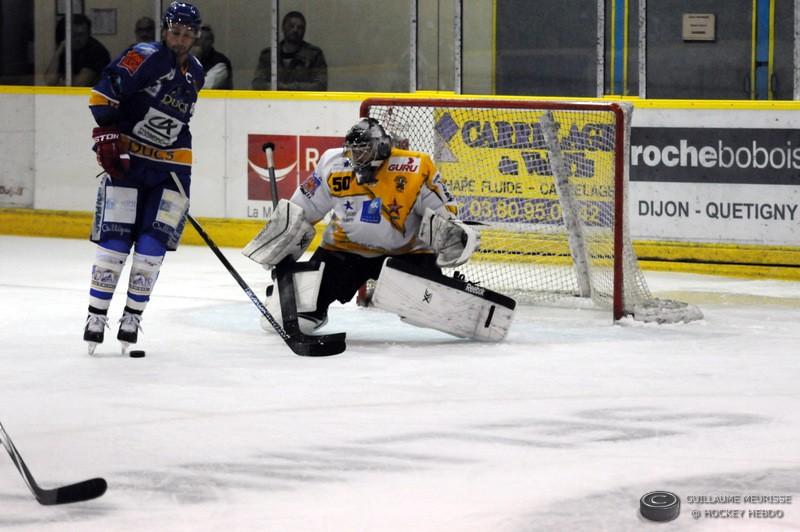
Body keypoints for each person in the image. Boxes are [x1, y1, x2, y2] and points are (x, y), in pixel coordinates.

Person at [242, 118, 515, 342]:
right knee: (287, 317)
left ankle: (454, 301)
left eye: (364, 151)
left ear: (381, 148)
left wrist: (452, 236)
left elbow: (445, 215)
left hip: (406, 254)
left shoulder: (414, 167)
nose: (357, 157)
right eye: (353, 151)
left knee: (430, 310)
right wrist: (283, 246)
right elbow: (303, 211)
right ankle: (306, 304)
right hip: (344, 252)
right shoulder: (333, 164)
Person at [82, 2, 205, 355]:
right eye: (175, 32)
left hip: (173, 168)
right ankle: (96, 316)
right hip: (130, 162)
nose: (180, 40)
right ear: (165, 30)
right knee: (117, 237)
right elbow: (103, 95)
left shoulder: (196, 71)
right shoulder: (145, 56)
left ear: (196, 36)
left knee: (154, 241)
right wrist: (108, 134)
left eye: (188, 34)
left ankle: (132, 318)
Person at [251, 11, 327, 91]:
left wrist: (280, 87)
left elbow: (320, 86)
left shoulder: (314, 55)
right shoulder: (269, 55)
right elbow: (257, 84)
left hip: (301, 99)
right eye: (291, 26)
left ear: (304, 31)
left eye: (300, 27)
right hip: (274, 99)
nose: (295, 30)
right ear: (283, 28)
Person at [44, 14, 111, 86]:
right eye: (73, 35)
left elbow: (79, 83)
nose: (77, 39)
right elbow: (49, 81)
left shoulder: (97, 51)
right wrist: (58, 53)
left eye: (81, 34)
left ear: (88, 34)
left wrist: (59, 85)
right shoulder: (66, 49)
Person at [191, 25, 232, 89]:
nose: (202, 42)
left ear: (212, 41)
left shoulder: (220, 62)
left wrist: (195, 59)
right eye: (200, 39)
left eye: (206, 39)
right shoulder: (188, 59)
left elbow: (205, 86)